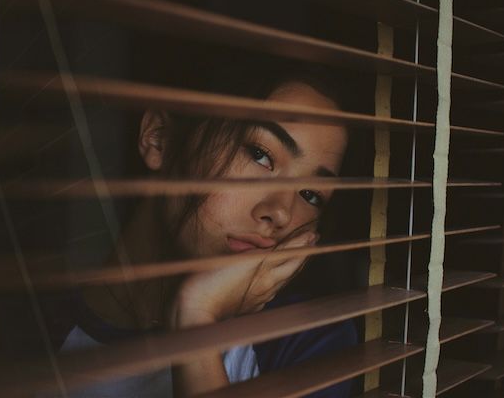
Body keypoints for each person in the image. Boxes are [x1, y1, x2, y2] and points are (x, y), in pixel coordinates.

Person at [59, 62, 358, 397]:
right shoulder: (31, 328)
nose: (280, 213)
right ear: (160, 139)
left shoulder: (307, 341)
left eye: (311, 194)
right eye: (260, 155)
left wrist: (195, 318)